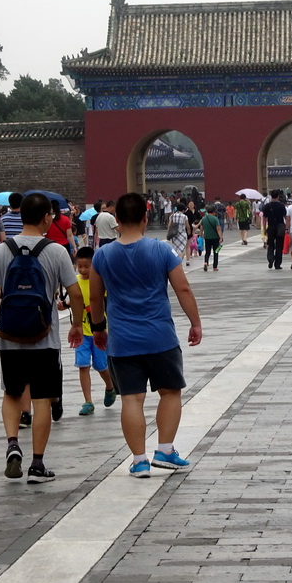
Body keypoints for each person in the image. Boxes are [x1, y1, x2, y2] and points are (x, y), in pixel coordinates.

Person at [87, 192, 202, 478]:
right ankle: (164, 450)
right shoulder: (161, 250)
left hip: (122, 340)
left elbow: (95, 298)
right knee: (170, 392)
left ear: (116, 221)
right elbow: (183, 289)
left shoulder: (102, 255)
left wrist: (99, 329)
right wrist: (195, 323)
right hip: (160, 336)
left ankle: (139, 460)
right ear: (145, 218)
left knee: (131, 399)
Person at [0, 192, 83, 482]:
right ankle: (37, 464)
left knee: (11, 393)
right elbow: (75, 293)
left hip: (10, 337)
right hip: (44, 338)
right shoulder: (57, 251)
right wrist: (77, 324)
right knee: (42, 399)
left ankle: (12, 445)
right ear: (47, 217)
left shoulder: (2, 250)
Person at [58, 246, 116, 415]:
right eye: (79, 266)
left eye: (86, 266)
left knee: (100, 365)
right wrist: (64, 305)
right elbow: (72, 301)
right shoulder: (74, 282)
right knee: (83, 365)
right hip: (81, 334)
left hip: (100, 332)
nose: (82, 270)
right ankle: (88, 401)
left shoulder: (101, 282)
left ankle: (110, 386)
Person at [261, 189, 288, 270]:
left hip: (271, 227)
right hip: (280, 227)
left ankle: (270, 258)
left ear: (271, 196)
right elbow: (285, 217)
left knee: (270, 244)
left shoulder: (267, 206)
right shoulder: (282, 206)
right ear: (278, 196)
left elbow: (264, 219)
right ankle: (277, 264)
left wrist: (265, 229)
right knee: (279, 246)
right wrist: (287, 228)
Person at [200, 205, 223, 272]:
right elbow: (218, 229)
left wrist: (201, 236)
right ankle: (215, 267)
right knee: (216, 252)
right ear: (213, 212)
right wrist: (220, 237)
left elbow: (201, 229)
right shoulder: (215, 219)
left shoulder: (203, 219)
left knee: (207, 252)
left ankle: (206, 262)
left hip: (207, 237)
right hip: (215, 238)